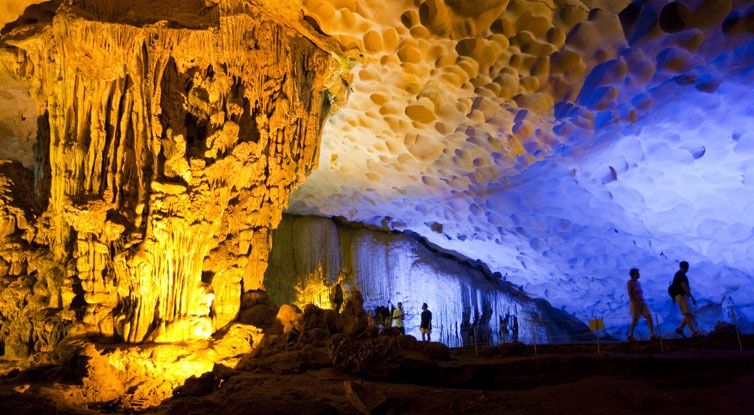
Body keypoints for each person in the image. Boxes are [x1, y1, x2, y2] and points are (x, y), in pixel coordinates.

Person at [626, 268, 656, 341]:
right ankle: (630, 335)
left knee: (648, 316)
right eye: (637, 273)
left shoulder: (638, 282)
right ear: (633, 274)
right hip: (635, 303)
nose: (639, 274)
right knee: (635, 319)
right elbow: (630, 293)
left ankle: (652, 335)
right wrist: (634, 302)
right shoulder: (630, 283)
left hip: (642, 302)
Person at [672, 261, 700, 337]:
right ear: (686, 267)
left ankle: (680, 329)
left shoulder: (680, 274)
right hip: (681, 296)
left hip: (681, 296)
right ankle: (694, 332)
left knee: (689, 314)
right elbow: (684, 286)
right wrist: (691, 297)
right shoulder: (681, 274)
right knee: (687, 314)